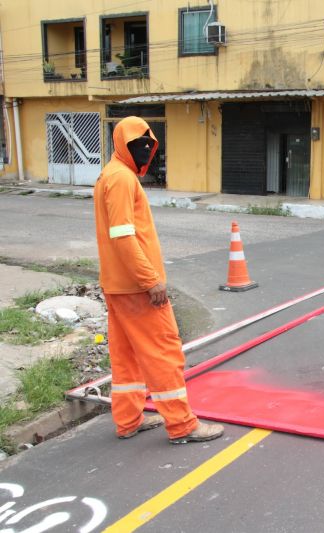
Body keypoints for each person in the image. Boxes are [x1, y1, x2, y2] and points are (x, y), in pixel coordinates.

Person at [94, 116, 224, 444]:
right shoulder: (122, 180)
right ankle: (182, 425)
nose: (145, 152)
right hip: (137, 287)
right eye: (139, 147)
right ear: (123, 146)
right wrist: (150, 280)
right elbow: (123, 236)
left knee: (127, 356)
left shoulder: (109, 175)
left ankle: (128, 419)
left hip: (117, 285)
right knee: (164, 352)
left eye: (148, 147)